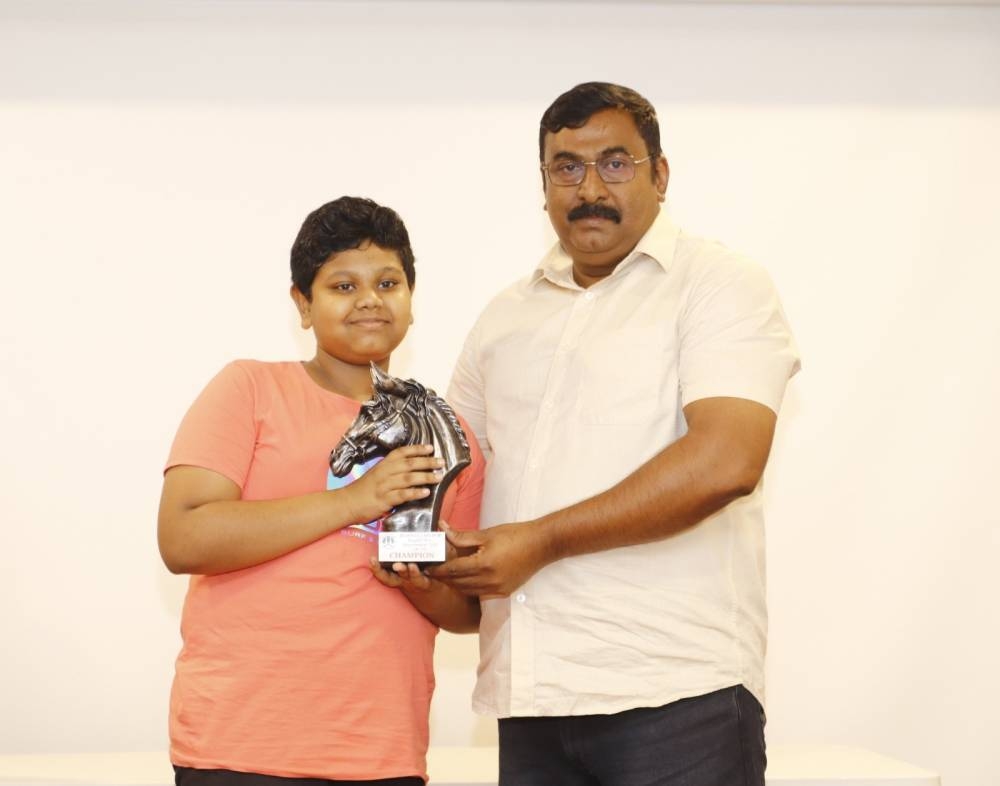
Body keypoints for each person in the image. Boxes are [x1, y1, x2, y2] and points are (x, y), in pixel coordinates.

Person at [433, 83, 801, 785]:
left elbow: (727, 460)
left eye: (615, 163)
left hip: (677, 698)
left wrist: (540, 540)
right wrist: (405, 550)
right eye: (565, 167)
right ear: (543, 184)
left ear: (660, 174)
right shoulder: (504, 318)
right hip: (530, 696)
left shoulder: (719, 284)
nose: (589, 187)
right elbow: (455, 484)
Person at [157, 196, 484, 786]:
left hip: (381, 753)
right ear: (302, 305)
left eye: (388, 282)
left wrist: (418, 587)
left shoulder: (451, 433)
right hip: (239, 746)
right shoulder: (249, 389)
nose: (368, 300)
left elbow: (467, 609)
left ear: (411, 297)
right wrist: (355, 501)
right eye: (341, 286)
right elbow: (183, 537)